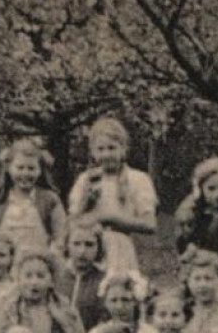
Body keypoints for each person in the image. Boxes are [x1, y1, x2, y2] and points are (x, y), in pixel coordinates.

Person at [66, 116, 158, 275]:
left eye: (112, 148)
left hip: (119, 248)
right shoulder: (85, 180)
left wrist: (111, 218)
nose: (106, 154)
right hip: (88, 249)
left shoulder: (137, 179)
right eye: (101, 149)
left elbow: (149, 224)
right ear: (93, 152)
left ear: (123, 148)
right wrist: (85, 208)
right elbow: (73, 220)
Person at [0, 136, 67, 261]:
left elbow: (61, 236)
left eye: (31, 168)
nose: (25, 173)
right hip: (5, 267)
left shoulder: (49, 200)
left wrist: (53, 257)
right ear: (9, 169)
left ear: (40, 170)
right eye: (20, 168)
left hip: (37, 268)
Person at [173, 157, 218, 258]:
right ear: (201, 189)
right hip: (198, 260)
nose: (217, 195)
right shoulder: (192, 212)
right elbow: (183, 243)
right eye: (211, 189)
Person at [98, 270, 165, 333]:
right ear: (106, 303)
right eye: (113, 300)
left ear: (135, 302)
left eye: (125, 300)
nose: (119, 307)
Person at [62, 216, 109, 332]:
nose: (82, 251)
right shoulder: (57, 277)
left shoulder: (104, 281)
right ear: (67, 245)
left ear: (99, 247)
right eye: (76, 244)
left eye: (89, 245)